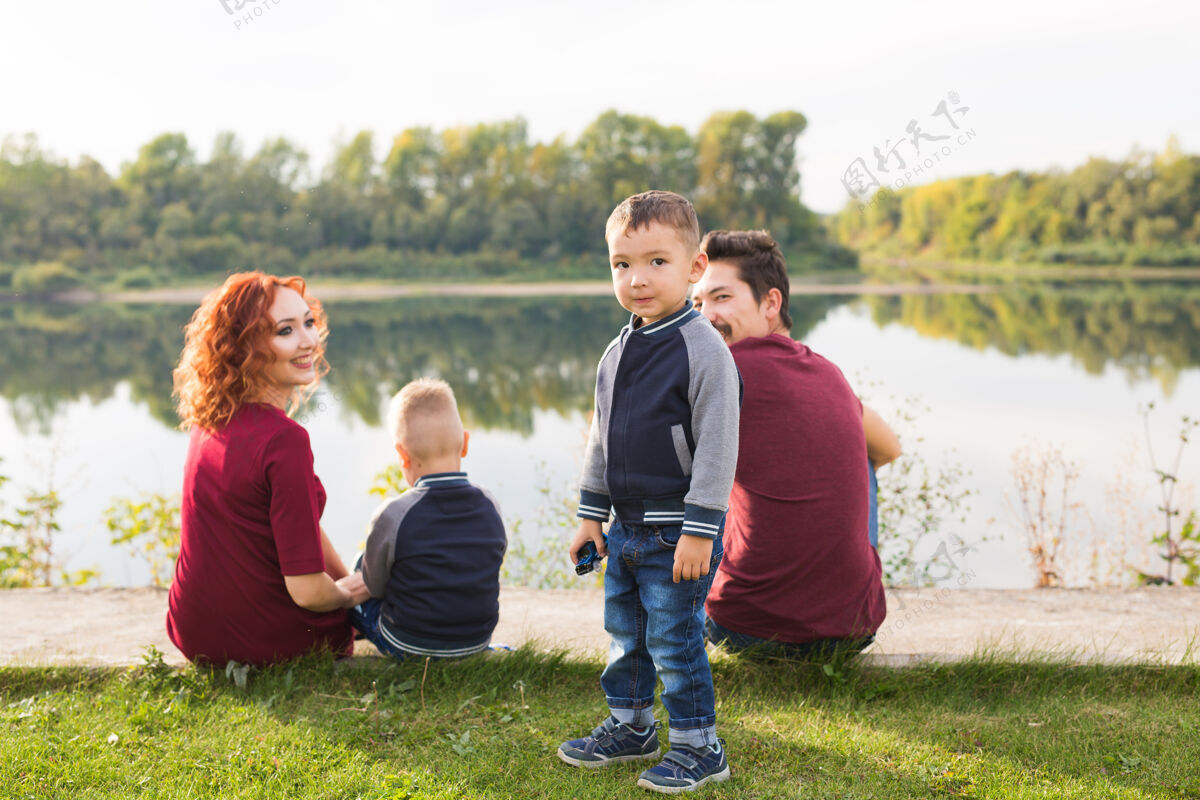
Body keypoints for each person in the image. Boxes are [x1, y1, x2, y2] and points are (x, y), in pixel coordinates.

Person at [557, 191, 740, 794]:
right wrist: (591, 517)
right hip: (627, 531)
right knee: (625, 631)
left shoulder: (703, 349)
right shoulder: (616, 352)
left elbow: (717, 447)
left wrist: (700, 529)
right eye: (621, 264)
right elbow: (600, 437)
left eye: (656, 262)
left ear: (694, 269)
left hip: (678, 532)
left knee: (674, 635)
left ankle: (697, 744)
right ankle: (631, 725)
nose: (637, 279)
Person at [691, 230, 899, 659]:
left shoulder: (716, 373)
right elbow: (890, 448)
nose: (704, 316)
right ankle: (830, 597)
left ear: (771, 303)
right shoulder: (828, 374)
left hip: (742, 630)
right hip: (853, 630)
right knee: (862, 458)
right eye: (696, 303)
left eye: (722, 298)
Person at [167, 272, 369, 666]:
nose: (309, 341)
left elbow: (297, 527)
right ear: (245, 347)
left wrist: (343, 582)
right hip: (263, 643)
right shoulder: (284, 440)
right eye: (285, 331)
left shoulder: (210, 420)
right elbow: (308, 593)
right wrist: (352, 596)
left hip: (194, 631)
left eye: (308, 323)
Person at [350, 377, 507, 660]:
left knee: (359, 565)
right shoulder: (489, 503)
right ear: (465, 444)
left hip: (409, 644)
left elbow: (374, 586)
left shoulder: (394, 513)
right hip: (476, 640)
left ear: (402, 455)